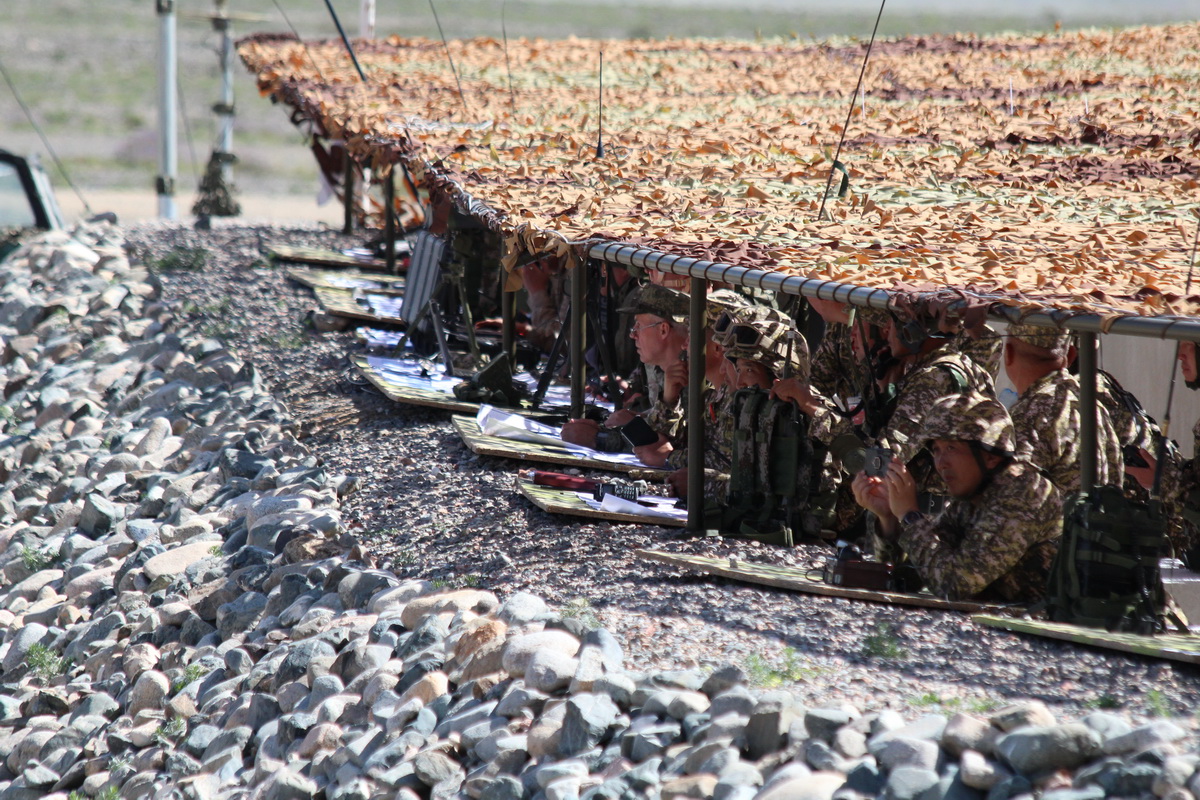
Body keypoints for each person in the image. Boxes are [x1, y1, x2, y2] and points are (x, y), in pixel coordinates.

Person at [851, 391, 1063, 602]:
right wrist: (889, 518)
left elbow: (955, 584)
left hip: (1052, 630)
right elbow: (915, 575)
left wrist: (910, 516)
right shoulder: (969, 498)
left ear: (990, 456)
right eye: (936, 450)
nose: (941, 462)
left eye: (952, 448)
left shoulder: (1022, 492)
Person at [1003, 323, 1122, 496]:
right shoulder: (1092, 404)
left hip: (1060, 522)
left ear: (1008, 354)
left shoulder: (1030, 414)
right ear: (1070, 355)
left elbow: (1014, 500)